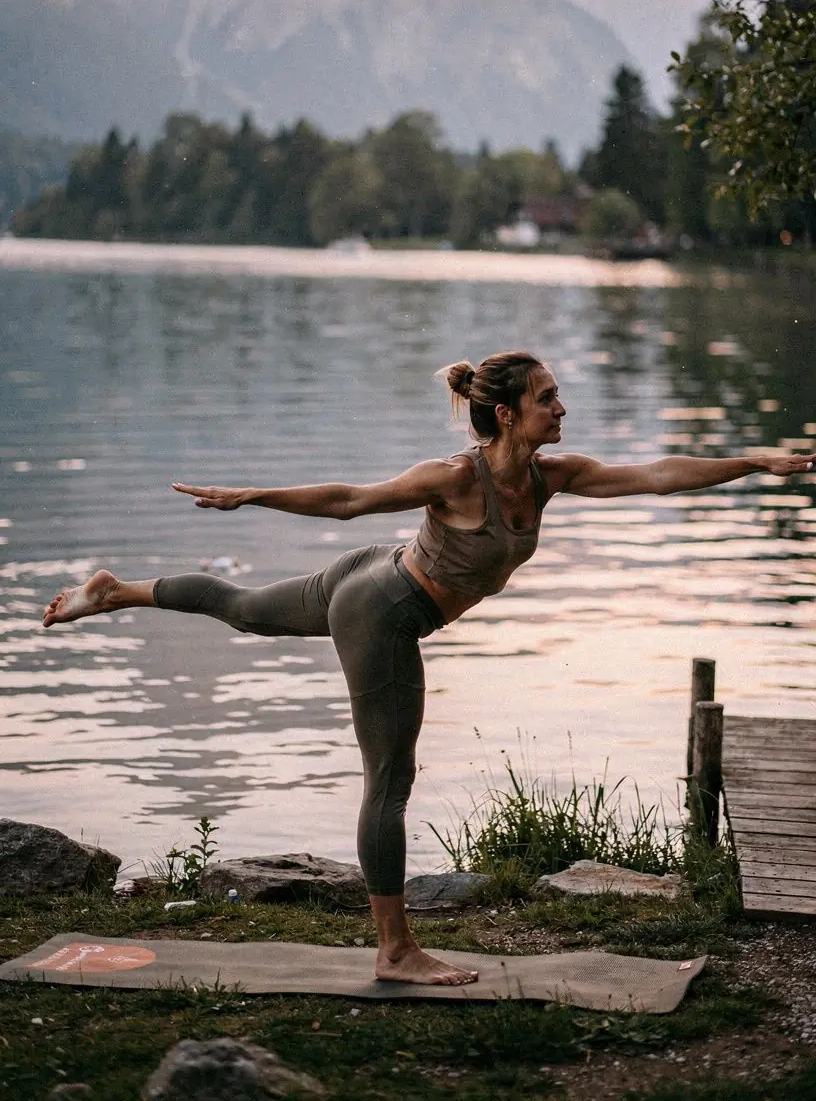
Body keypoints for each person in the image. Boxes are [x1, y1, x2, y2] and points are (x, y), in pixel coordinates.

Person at [42, 350, 815, 986]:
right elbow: (350, 498)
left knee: (245, 609)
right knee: (390, 781)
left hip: (377, 575)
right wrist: (252, 497)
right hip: (384, 610)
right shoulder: (455, 476)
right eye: (549, 397)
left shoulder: (554, 476)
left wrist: (753, 461)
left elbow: (657, 473)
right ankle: (394, 949)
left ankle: (118, 592)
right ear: (508, 412)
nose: (562, 407)